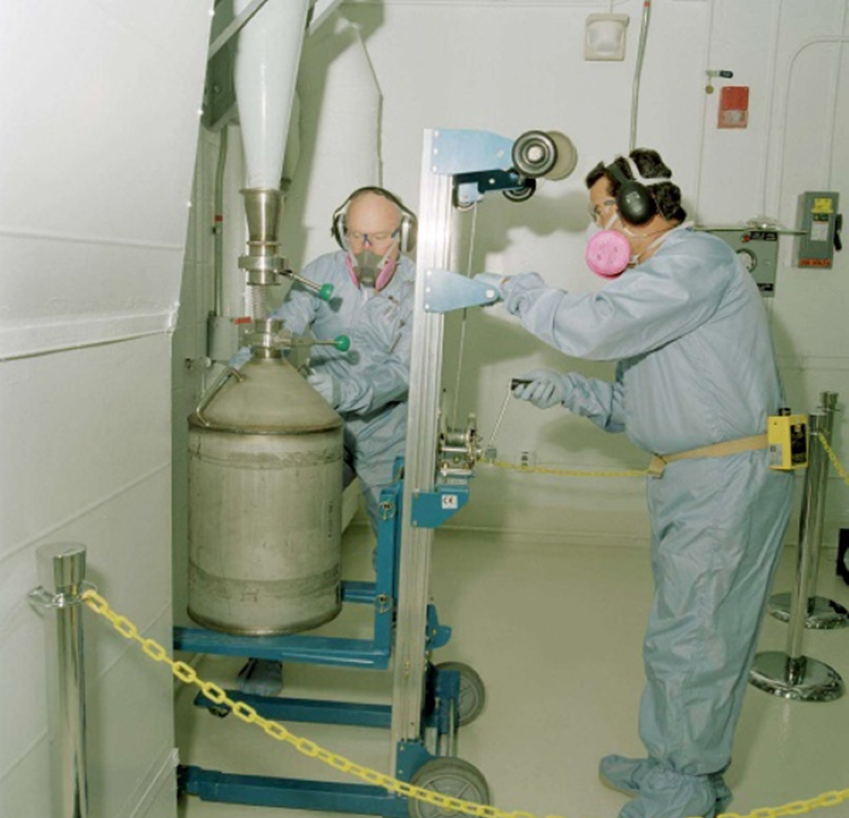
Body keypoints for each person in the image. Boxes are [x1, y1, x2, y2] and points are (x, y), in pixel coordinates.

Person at [476, 149, 794, 818]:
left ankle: (683, 786)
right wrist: (567, 391)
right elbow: (637, 409)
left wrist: (515, 289)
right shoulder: (658, 282)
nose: (601, 229)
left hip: (723, 477)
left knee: (695, 638)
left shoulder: (693, 262)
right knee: (684, 631)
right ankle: (677, 766)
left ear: (644, 204)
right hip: (691, 474)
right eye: (594, 215)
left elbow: (590, 326)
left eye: (604, 212)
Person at [236, 186, 417, 696]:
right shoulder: (322, 271)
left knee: (396, 549)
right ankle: (266, 653)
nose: (367, 248)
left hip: (388, 433)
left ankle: (403, 653)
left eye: (380, 236)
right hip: (325, 429)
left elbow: (407, 371)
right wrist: (249, 359)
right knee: (281, 527)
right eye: (357, 234)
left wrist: (348, 389)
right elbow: (288, 325)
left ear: (400, 236)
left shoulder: (418, 288)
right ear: (343, 230)